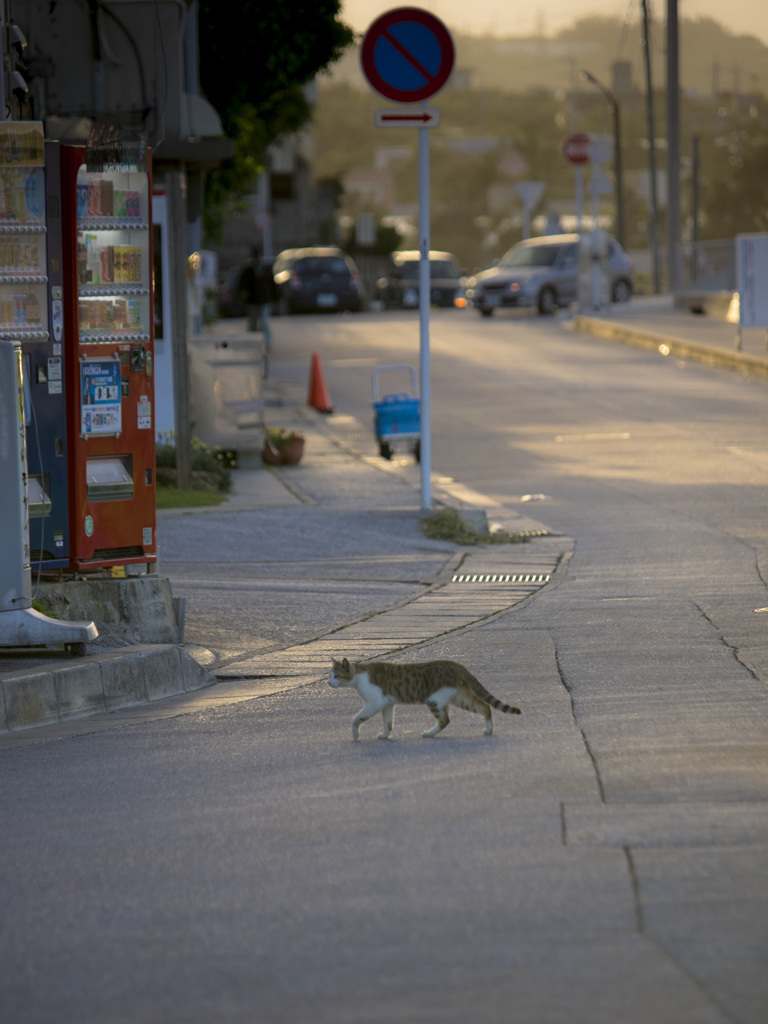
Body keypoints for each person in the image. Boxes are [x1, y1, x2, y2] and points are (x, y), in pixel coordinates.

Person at [237, 246, 278, 350]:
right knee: (253, 322)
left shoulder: (265, 269)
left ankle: (267, 342)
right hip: (252, 300)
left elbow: (272, 285)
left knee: (264, 321)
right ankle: (251, 341)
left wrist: (274, 297)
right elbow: (242, 285)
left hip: (264, 299)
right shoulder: (249, 270)